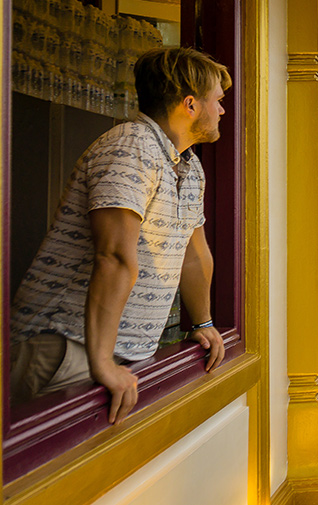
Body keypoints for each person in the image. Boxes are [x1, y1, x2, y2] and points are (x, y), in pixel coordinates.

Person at [10, 47, 230, 425]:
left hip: (117, 355)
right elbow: (113, 255)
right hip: (66, 346)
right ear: (190, 104)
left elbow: (194, 256)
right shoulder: (132, 146)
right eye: (218, 101)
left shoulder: (189, 167)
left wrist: (204, 322)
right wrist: (102, 361)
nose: (222, 110)